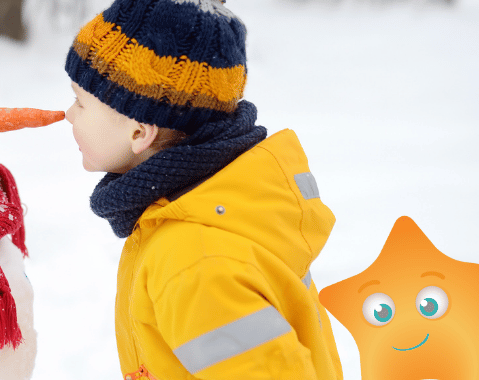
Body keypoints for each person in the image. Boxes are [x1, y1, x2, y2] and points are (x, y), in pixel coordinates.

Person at [63, 0, 344, 379]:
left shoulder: (194, 260)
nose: (68, 113)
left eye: (81, 102)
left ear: (139, 131)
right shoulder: (189, 210)